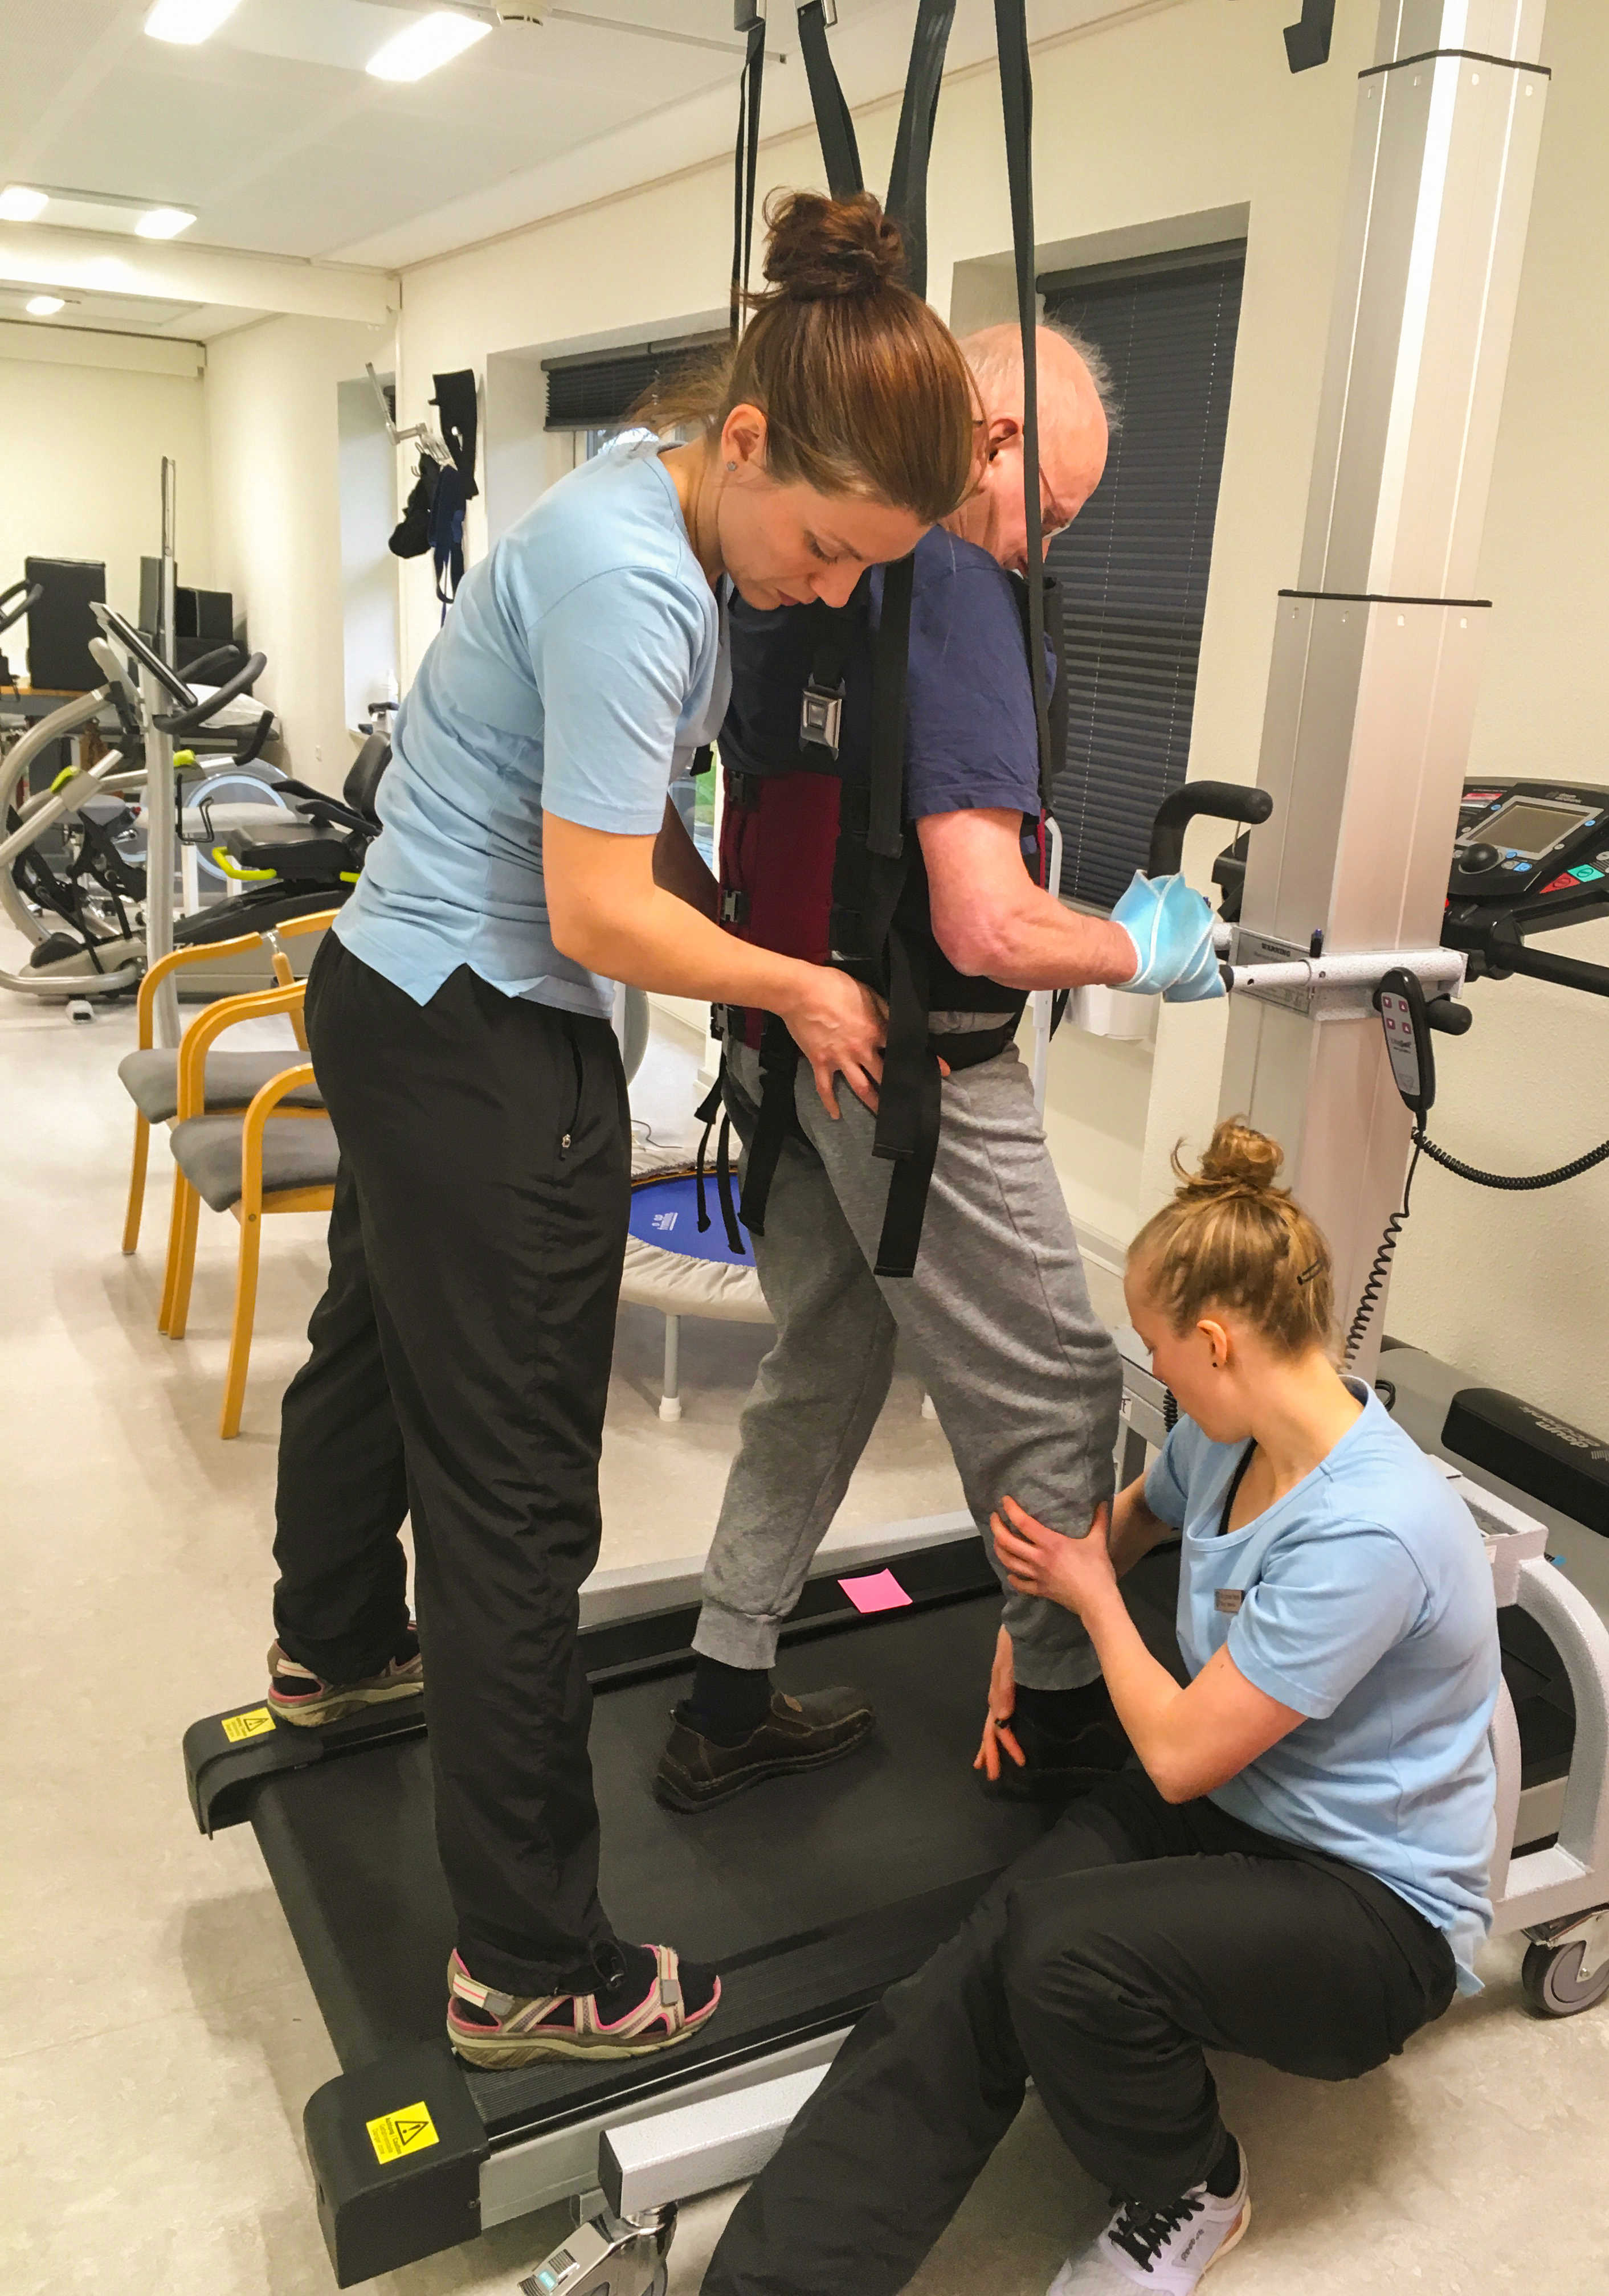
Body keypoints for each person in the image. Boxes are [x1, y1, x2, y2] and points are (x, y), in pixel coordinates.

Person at [258, 191, 979, 2072]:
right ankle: (530, 1967)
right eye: (825, 547)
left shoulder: (643, 504)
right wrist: (794, 985)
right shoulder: (639, 585)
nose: (829, 591)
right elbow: (593, 910)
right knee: (514, 1501)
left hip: (390, 985)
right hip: (486, 1029)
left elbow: (630, 806)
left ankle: (332, 1643)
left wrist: (735, 926)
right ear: (746, 442)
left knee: (372, 1340)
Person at [700, 1117, 1500, 2296]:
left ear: (1216, 1342)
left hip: (1373, 1913)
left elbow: (1174, 1754)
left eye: (1159, 1350)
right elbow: (1129, 1524)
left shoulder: (1369, 1533)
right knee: (975, 1961)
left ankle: (1196, 2187)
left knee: (1061, 1957)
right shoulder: (1232, 1440)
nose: (1156, 1372)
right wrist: (1032, 1626)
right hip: (1241, 1811)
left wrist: (1089, 1599)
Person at [656, 320, 1223, 1814]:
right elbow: (987, 921)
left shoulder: (787, 569)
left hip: (782, 1047)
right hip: (920, 1071)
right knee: (1055, 1388)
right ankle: (1060, 1715)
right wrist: (1144, 946)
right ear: (992, 439)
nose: (1045, 547)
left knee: (827, 1357)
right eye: (1054, 511)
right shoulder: (955, 588)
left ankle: (724, 1686)